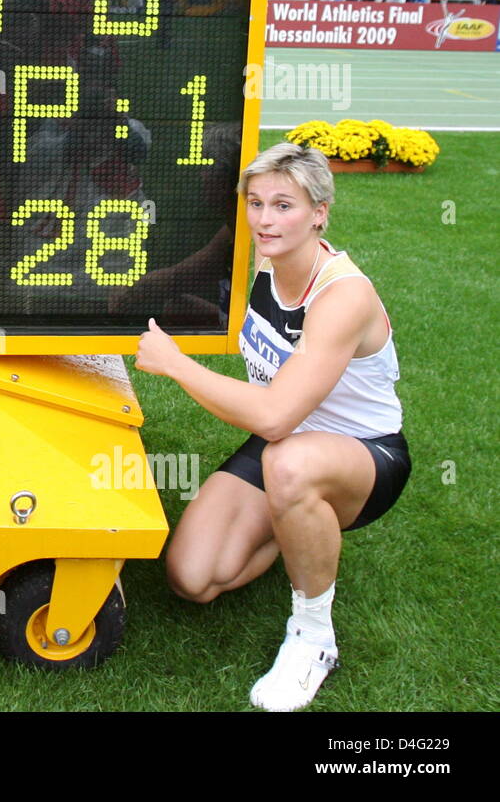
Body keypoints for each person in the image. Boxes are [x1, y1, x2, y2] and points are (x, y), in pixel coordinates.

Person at [136, 143, 409, 712]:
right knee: (193, 577)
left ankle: (313, 636)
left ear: (320, 212)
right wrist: (103, 298)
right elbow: (175, 277)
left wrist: (176, 364)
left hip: (360, 454)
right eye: (256, 202)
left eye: (284, 205)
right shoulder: (254, 251)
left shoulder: (342, 295)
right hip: (286, 443)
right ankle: (300, 532)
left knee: (287, 462)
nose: (265, 218)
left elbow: (274, 416)